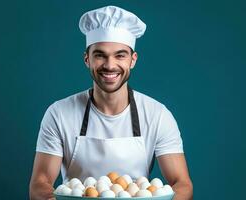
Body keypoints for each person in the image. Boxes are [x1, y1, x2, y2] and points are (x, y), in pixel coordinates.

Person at [29, 5, 193, 200]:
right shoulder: (59, 113)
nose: (109, 65)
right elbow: (40, 183)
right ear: (86, 59)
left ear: (133, 60)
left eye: (120, 55)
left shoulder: (157, 115)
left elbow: (182, 184)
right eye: (100, 55)